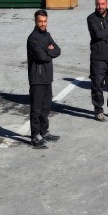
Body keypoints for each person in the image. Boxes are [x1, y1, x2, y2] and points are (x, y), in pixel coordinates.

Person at [26, 9, 61, 149]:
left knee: (46, 108)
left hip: (47, 78)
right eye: (40, 21)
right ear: (35, 21)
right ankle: (35, 136)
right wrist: (49, 50)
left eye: (45, 21)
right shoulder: (32, 38)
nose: (43, 24)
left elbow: (58, 50)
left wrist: (48, 49)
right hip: (37, 79)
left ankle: (44, 132)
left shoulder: (48, 35)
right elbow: (42, 57)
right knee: (36, 109)